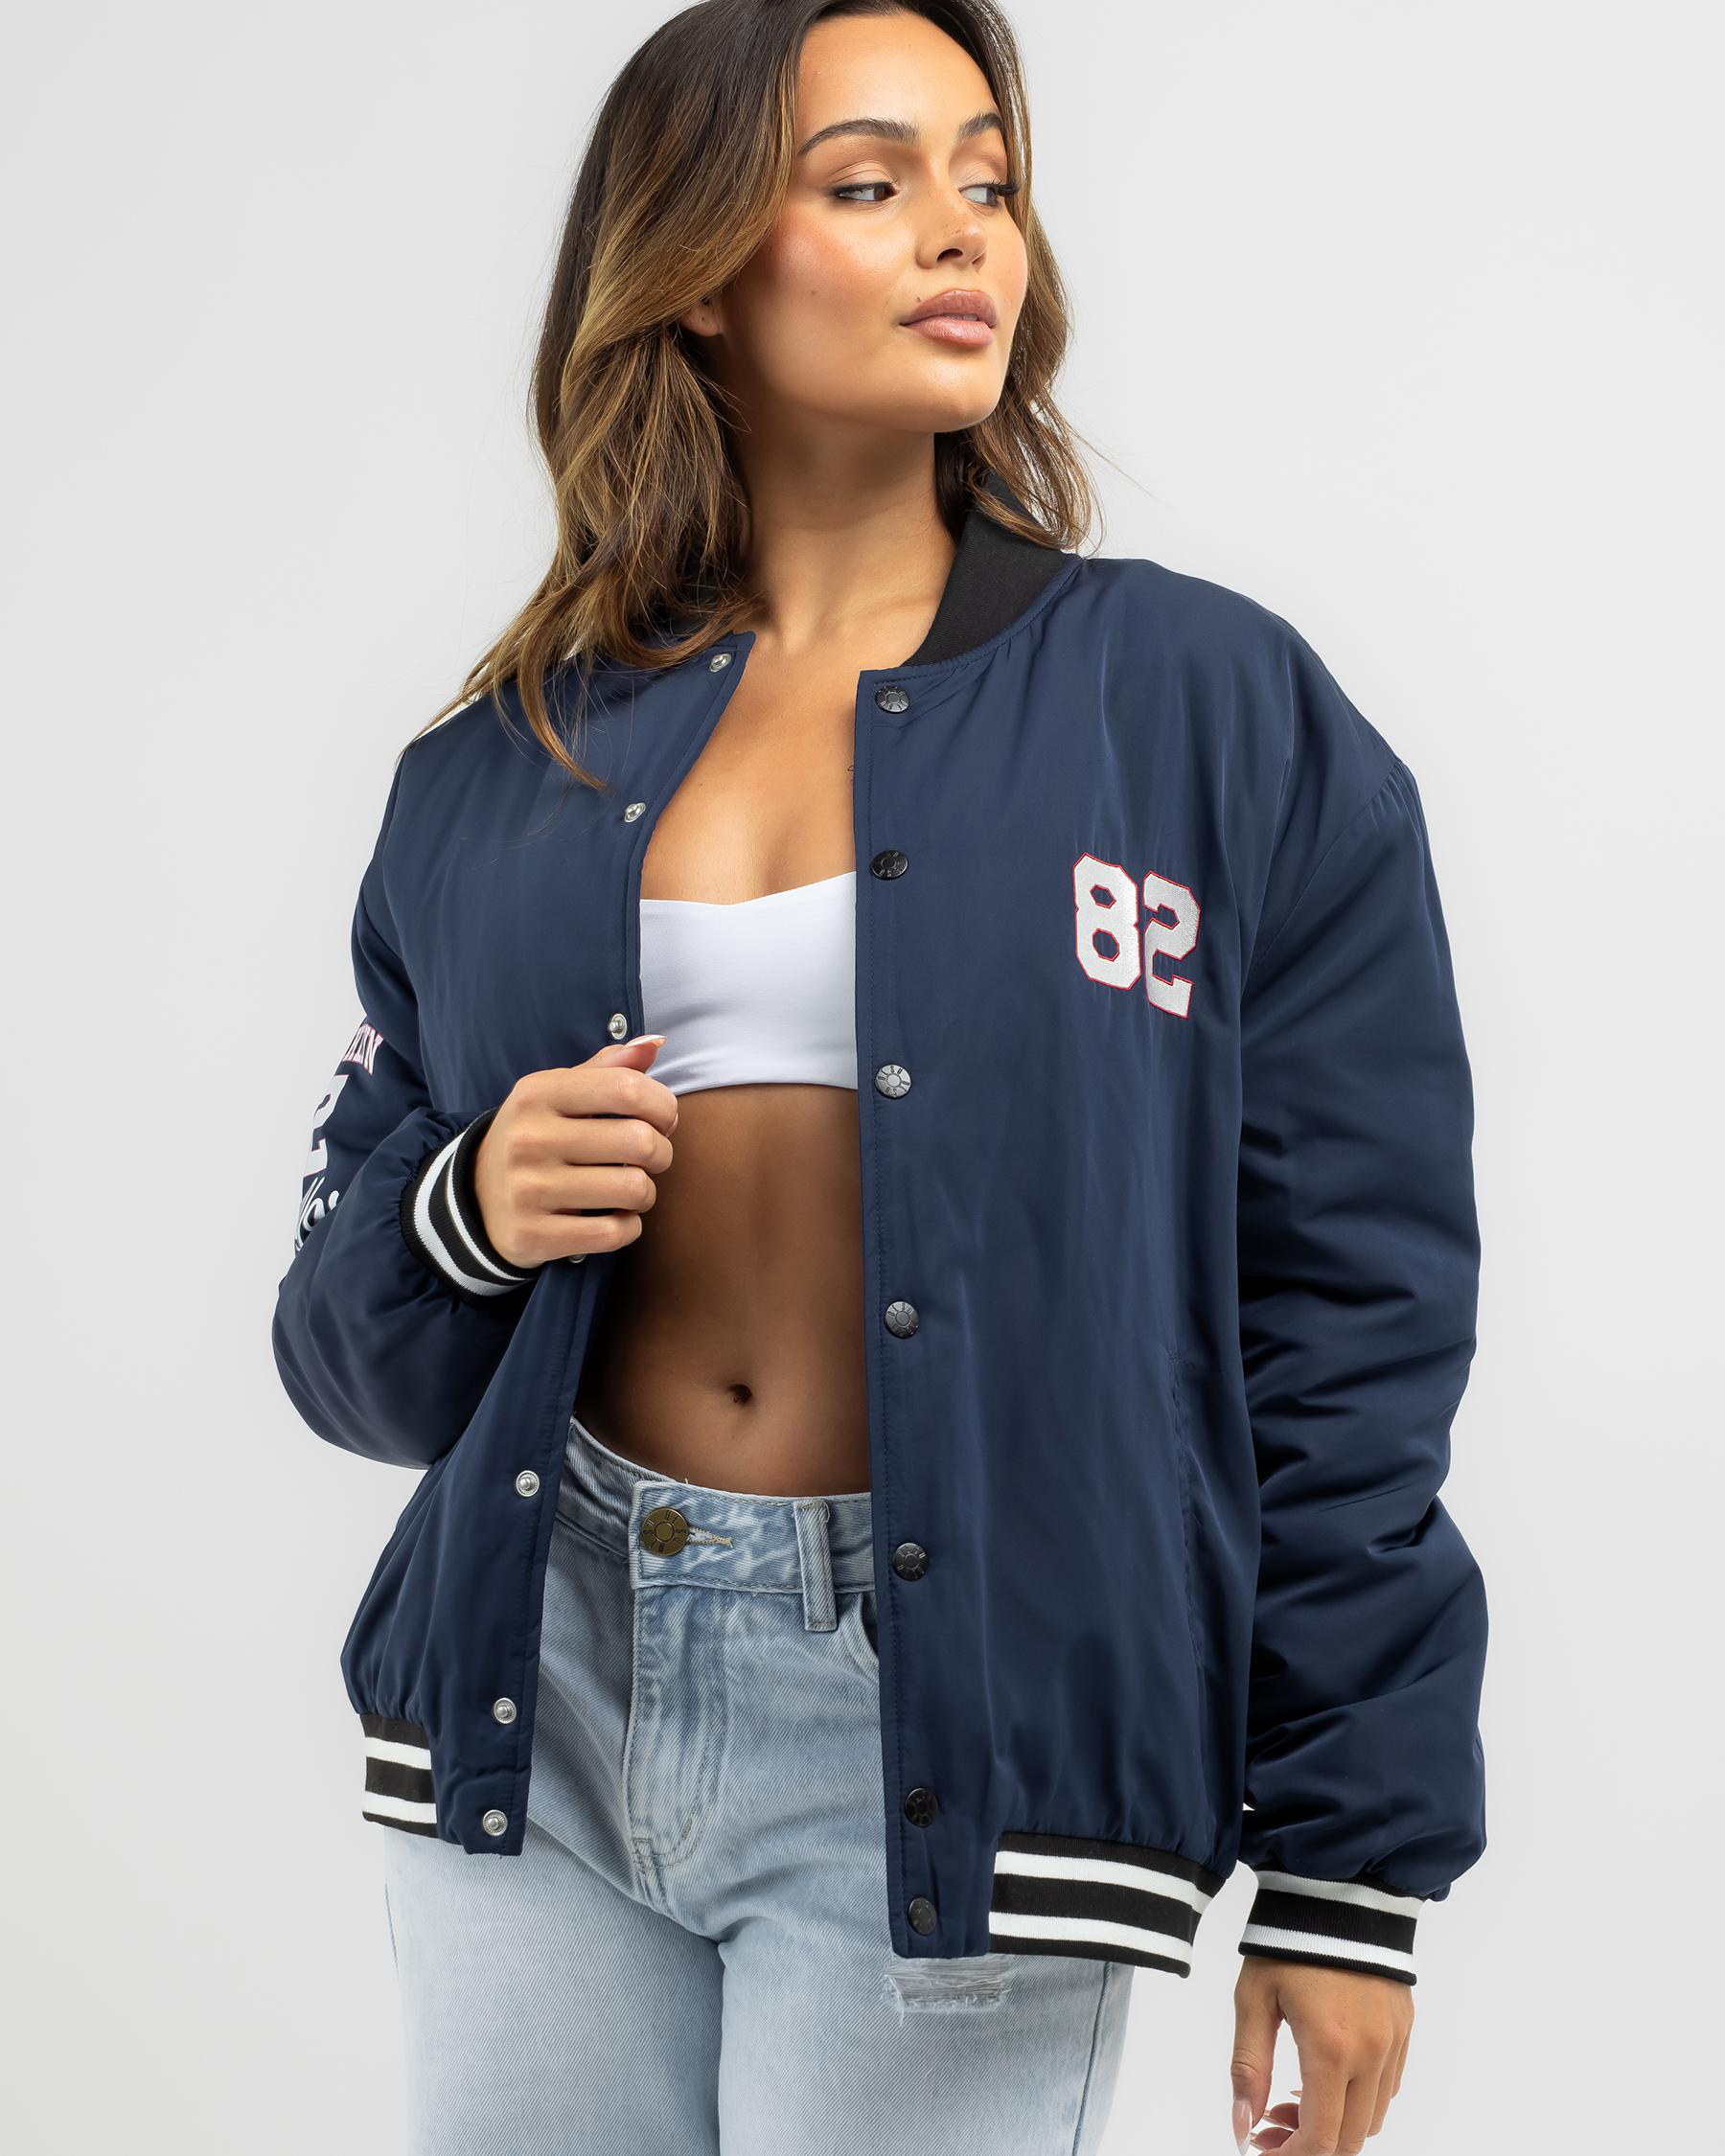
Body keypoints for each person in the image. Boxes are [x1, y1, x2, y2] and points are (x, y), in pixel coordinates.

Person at [270, 4, 1488, 2152]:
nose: (961, 231)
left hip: (958, 1726)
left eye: (987, 177)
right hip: (537, 1691)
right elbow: (344, 1355)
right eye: (870, 181)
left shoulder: (1202, 710)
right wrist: (468, 1205)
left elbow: (1351, 1318)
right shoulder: (491, 768)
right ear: (696, 270)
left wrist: (1350, 1865)